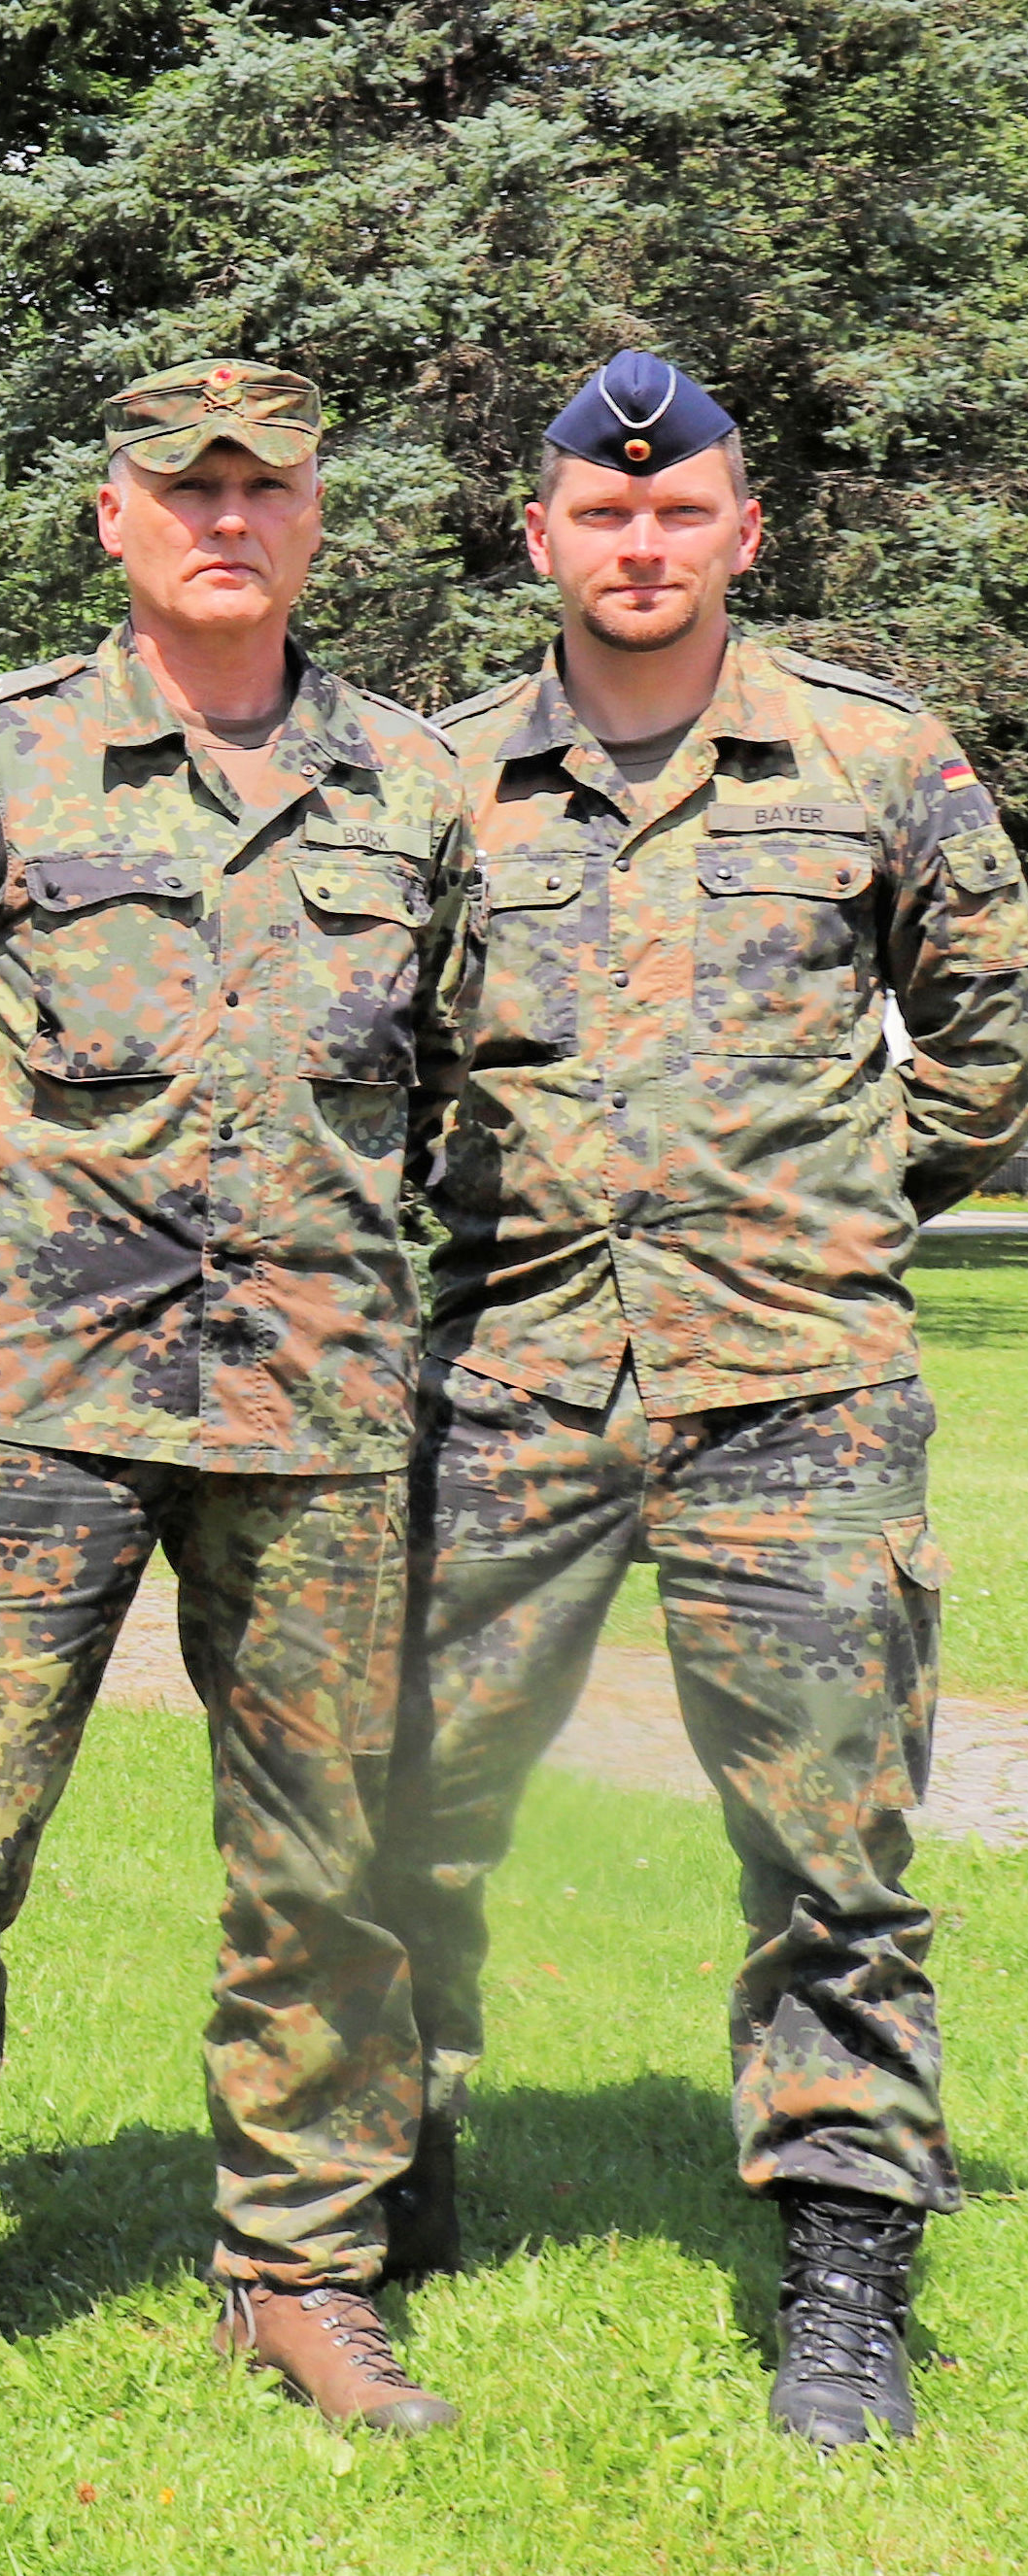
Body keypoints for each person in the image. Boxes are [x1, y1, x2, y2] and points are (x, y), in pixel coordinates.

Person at [0, 360, 476, 2432]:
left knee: (324, 1865)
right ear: (112, 517)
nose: (226, 517)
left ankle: (299, 2271)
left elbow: (448, 1082)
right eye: (186, 486)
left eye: (266, 485)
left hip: (316, 1409)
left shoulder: (414, 785)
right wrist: (21, 1220)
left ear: (314, 519)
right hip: (42, 1398)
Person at [387, 352, 1026, 2449]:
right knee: (413, 1810)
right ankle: (388, 2192)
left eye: (680, 514)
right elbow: (360, 1057)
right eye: (603, 511)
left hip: (795, 1389)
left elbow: (989, 1019)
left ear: (743, 531)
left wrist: (838, 1200)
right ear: (541, 534)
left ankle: (844, 2261)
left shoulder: (872, 753)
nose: (640, 543)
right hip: (502, 1377)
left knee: (829, 1846)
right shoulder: (440, 780)